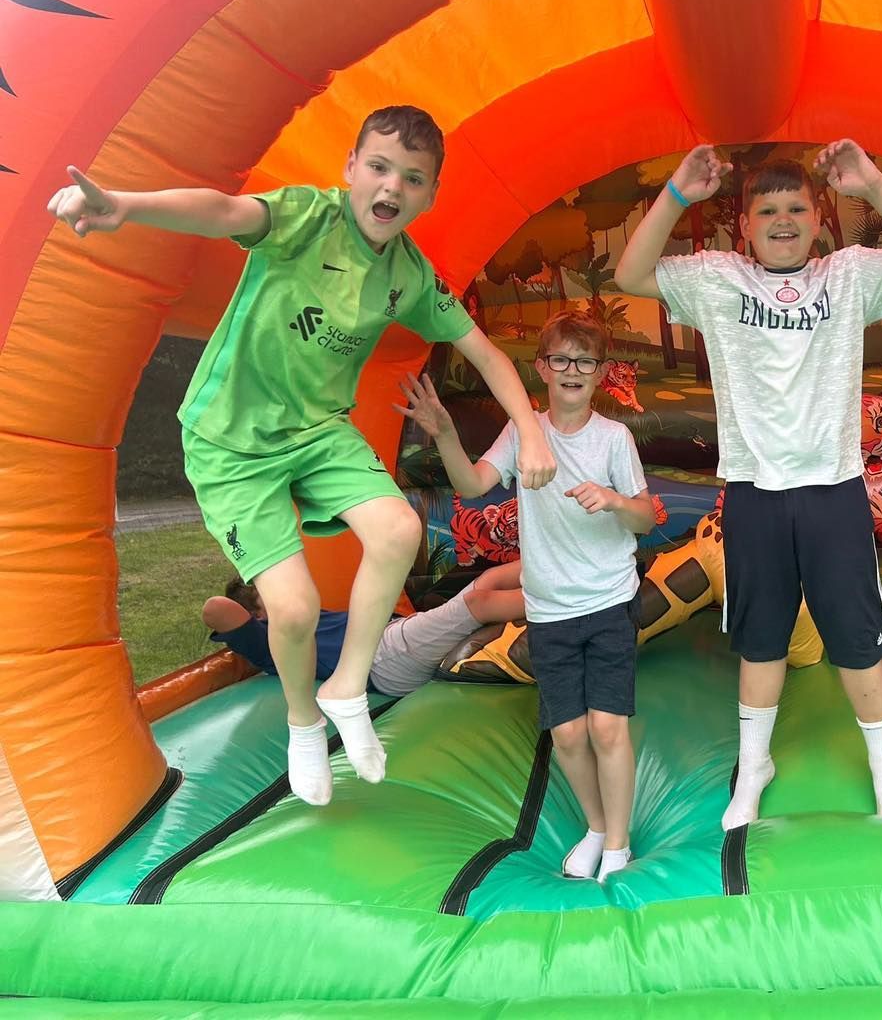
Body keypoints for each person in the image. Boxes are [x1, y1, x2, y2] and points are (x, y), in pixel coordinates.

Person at [47, 105, 557, 805]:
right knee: (292, 609)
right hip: (232, 441)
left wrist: (531, 431)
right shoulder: (305, 218)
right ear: (351, 168)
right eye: (378, 167)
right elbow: (222, 211)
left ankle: (347, 688)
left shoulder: (409, 275)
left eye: (412, 179)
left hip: (318, 431)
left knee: (399, 530)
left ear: (430, 195)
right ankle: (303, 721)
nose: (391, 187)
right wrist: (126, 207)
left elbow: (486, 353)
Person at [614, 140, 882, 829]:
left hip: (833, 490)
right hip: (755, 492)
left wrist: (872, 182)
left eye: (797, 207)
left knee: (857, 637)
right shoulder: (718, 279)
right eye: (767, 211)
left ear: (820, 218)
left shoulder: (846, 276)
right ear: (744, 226)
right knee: (761, 638)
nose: (783, 220)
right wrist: (676, 193)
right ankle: (754, 766)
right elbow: (631, 273)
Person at [399, 310, 654, 883]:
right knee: (568, 733)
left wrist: (614, 500)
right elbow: (471, 484)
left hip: (609, 601)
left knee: (607, 727)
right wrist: (445, 433)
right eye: (561, 359)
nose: (572, 370)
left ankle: (618, 845)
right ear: (541, 368)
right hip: (550, 609)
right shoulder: (523, 432)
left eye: (585, 361)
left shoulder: (613, 439)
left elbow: (644, 518)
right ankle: (595, 827)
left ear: (601, 373)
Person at [202, 563, 525, 696]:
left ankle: (550, 562)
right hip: (380, 660)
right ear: (257, 616)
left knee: (489, 579)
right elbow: (215, 609)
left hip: (391, 641)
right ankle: (556, 600)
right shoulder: (271, 642)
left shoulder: (307, 615)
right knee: (478, 603)